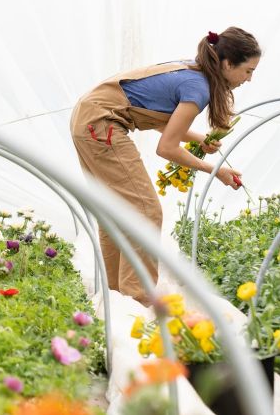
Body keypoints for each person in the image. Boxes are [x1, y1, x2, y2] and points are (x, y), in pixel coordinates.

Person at [70, 27, 261, 305]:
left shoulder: (193, 70)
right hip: (102, 124)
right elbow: (167, 148)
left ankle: (114, 299)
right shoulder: (199, 87)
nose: (250, 79)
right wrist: (215, 171)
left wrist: (199, 138)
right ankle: (138, 298)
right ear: (228, 64)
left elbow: (160, 120)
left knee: (115, 211)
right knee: (146, 211)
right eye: (248, 71)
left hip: (89, 118)